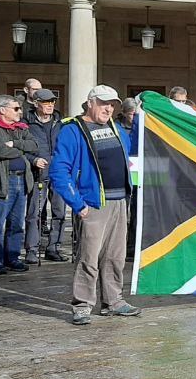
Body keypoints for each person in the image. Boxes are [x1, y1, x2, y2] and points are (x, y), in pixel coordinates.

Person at [50, 86, 141, 325]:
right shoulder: (72, 130)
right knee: (88, 257)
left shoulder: (116, 127)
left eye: (112, 104)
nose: (108, 108)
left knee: (115, 256)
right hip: (92, 204)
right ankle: (82, 304)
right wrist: (78, 204)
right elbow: (59, 170)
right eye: (103, 103)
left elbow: (134, 149)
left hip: (120, 201)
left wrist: (142, 117)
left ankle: (113, 301)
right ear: (90, 103)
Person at [0, 95, 40, 276]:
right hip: (2, 180)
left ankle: (13, 257)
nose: (20, 112)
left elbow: (34, 144)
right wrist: (21, 148)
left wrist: (15, 143)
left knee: (16, 223)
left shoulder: (20, 128)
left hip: (22, 180)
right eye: (16, 108)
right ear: (3, 110)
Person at [25, 89, 67, 264]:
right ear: (36, 103)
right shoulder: (26, 123)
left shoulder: (61, 123)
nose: (50, 105)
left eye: (52, 102)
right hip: (38, 174)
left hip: (58, 174)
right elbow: (21, 149)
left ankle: (54, 247)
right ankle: (32, 250)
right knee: (34, 213)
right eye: (45, 102)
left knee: (60, 212)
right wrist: (33, 160)